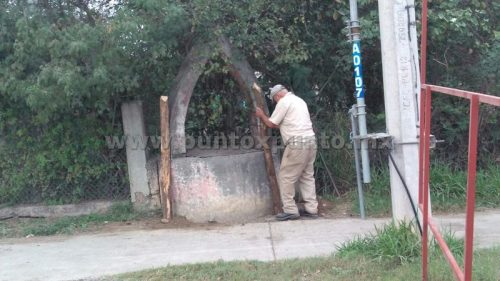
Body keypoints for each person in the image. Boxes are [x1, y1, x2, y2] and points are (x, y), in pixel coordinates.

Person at [255, 84, 319, 221]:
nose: (276, 102)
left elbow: (271, 124)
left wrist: (261, 115)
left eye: (275, 100)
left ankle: (290, 210)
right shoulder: (299, 100)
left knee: (286, 176)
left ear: (277, 96)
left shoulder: (284, 102)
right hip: (311, 141)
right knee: (307, 176)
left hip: (297, 144)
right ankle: (312, 209)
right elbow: (285, 124)